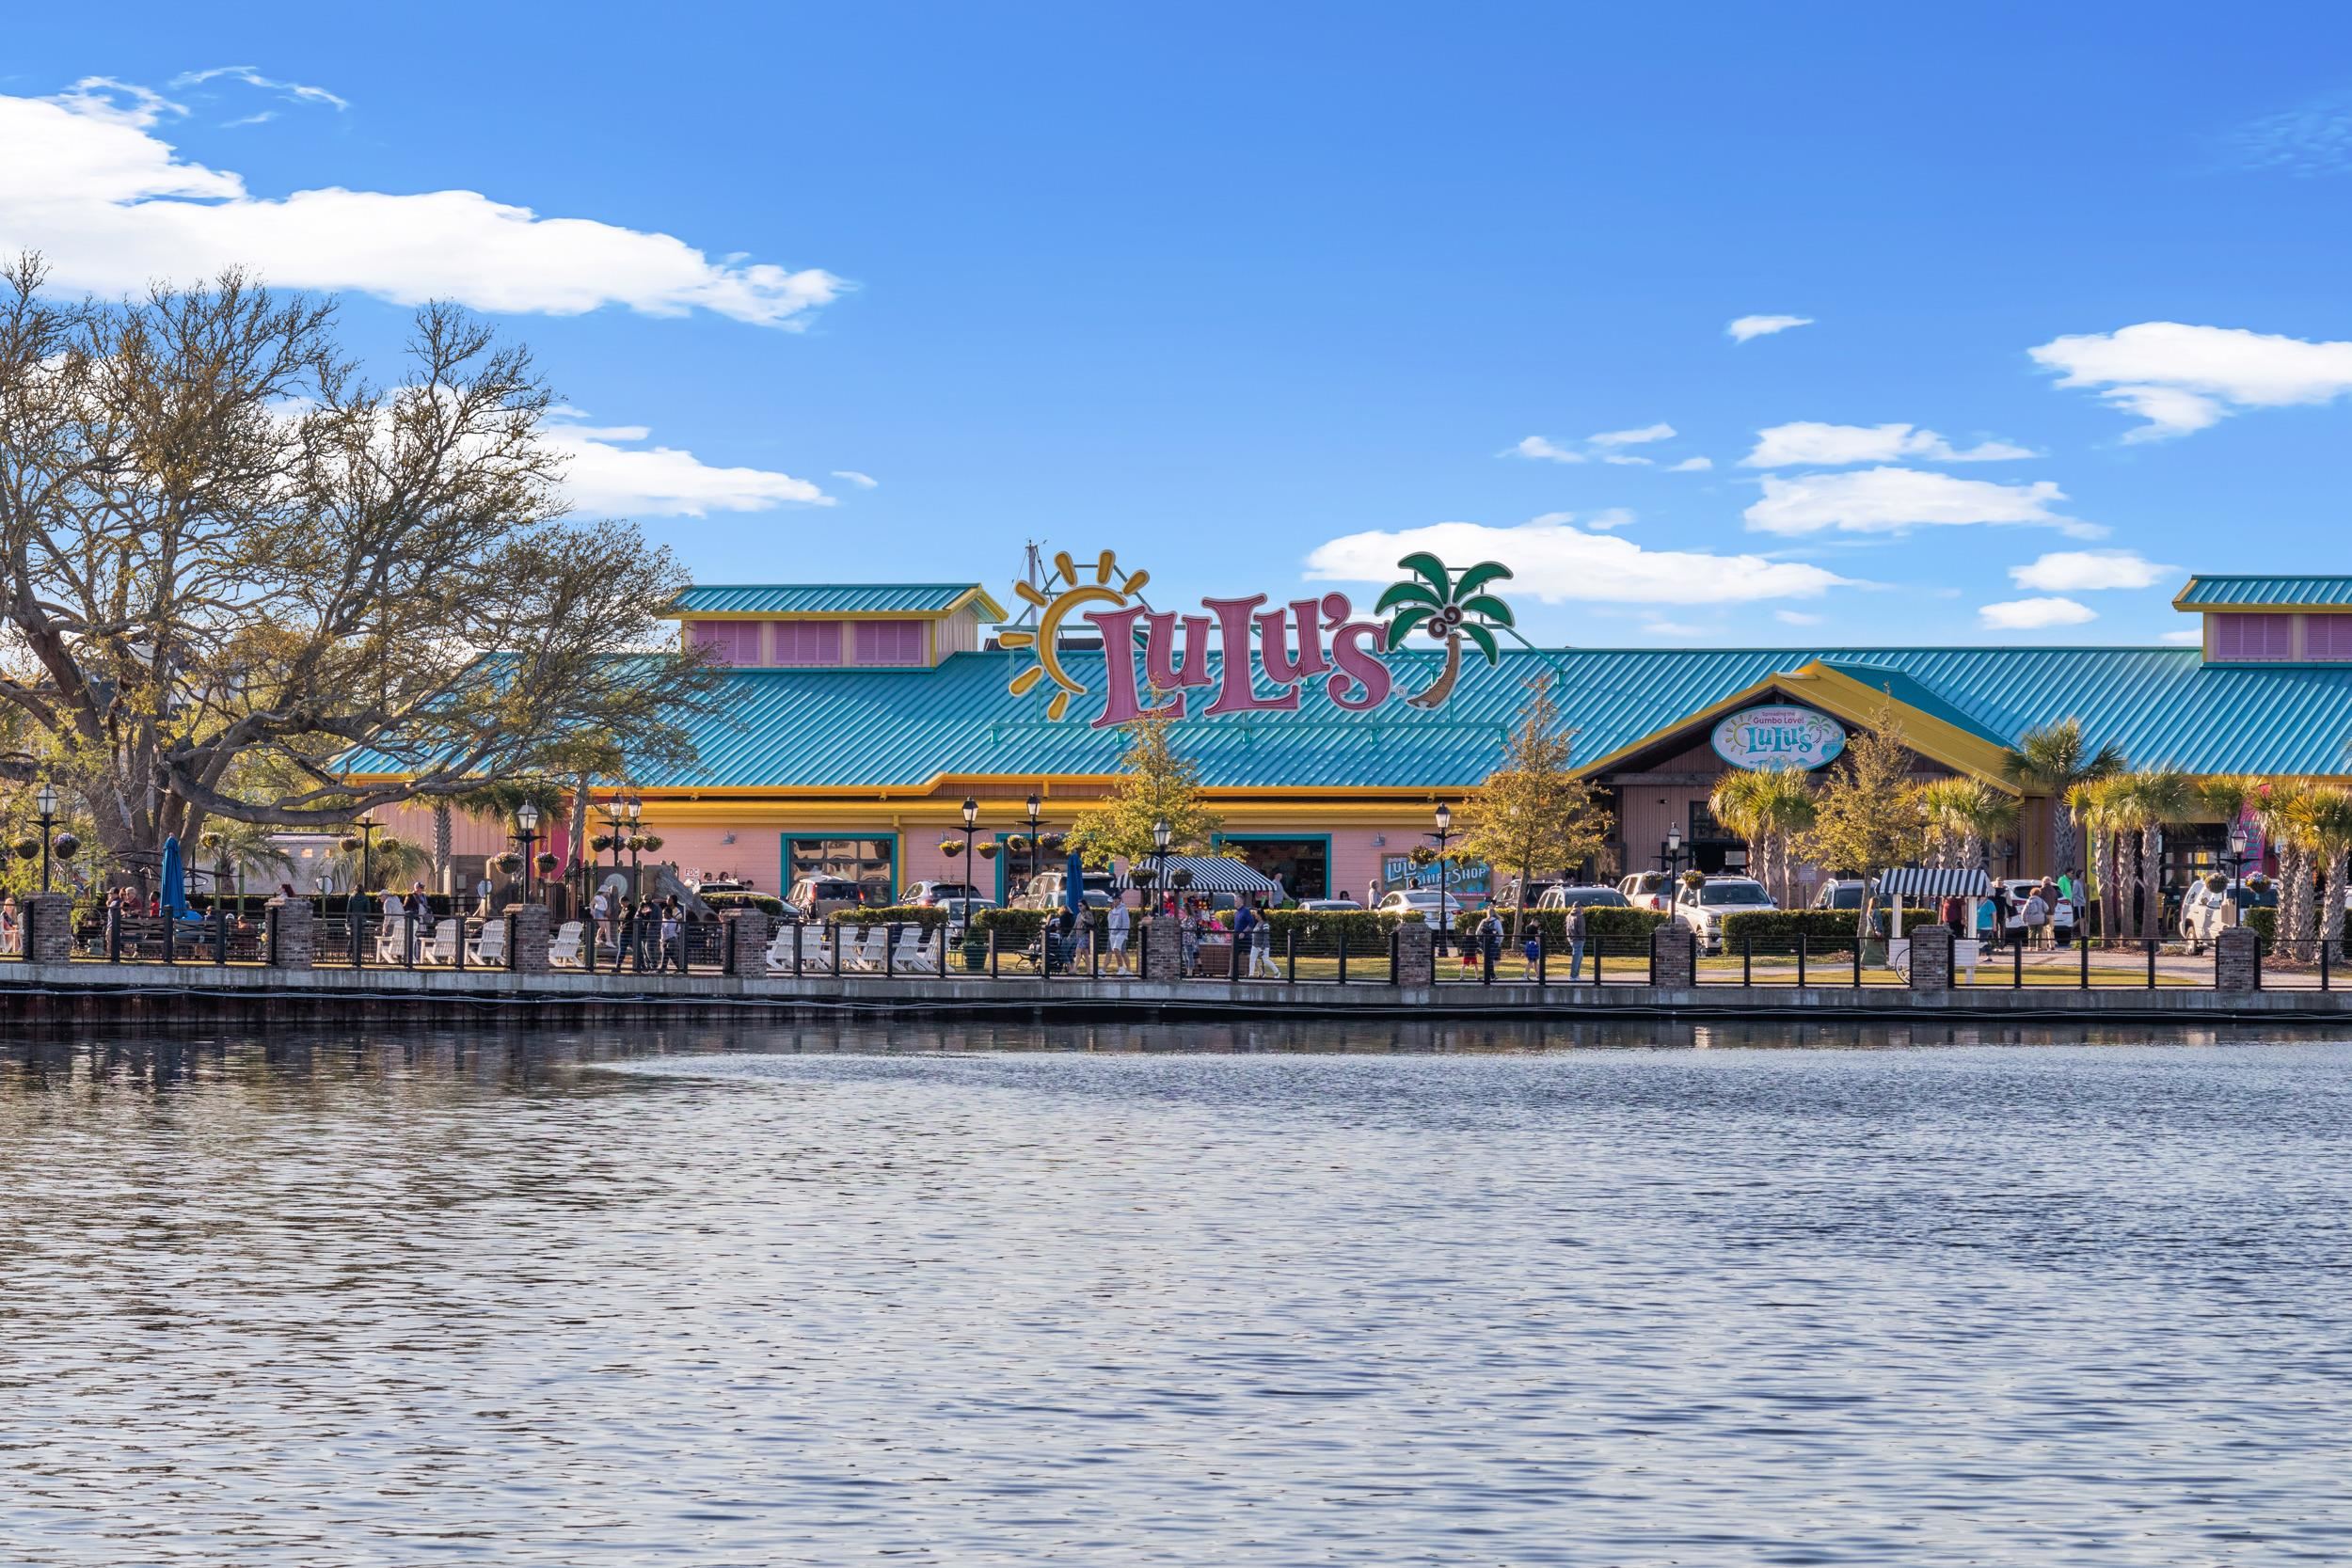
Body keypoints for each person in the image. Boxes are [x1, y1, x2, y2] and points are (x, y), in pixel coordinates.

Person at [1250, 898, 1279, 978]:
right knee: (1252, 959)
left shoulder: (1265, 924)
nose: (1255, 915)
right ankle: (1251, 974)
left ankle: (1277, 972)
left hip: (1263, 946)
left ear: (1259, 915)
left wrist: (1263, 946)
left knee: (1266, 960)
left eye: (1256, 914)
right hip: (1255, 945)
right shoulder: (1258, 923)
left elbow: (1266, 936)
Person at [1106, 897, 1131, 974]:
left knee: (1119, 950)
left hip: (1121, 934)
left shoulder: (1123, 909)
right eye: (1114, 899)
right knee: (1118, 951)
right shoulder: (1113, 911)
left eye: (1116, 899)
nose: (1115, 901)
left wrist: (1123, 933)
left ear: (1120, 900)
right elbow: (1112, 923)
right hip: (1113, 934)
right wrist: (1111, 933)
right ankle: (1121, 968)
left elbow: (1126, 922)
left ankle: (1126, 969)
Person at [1179, 898, 1201, 976]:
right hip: (1183, 940)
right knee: (1185, 957)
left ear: (1187, 909)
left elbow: (1191, 927)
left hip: (1189, 940)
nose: (1183, 910)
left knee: (1189, 957)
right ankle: (1187, 971)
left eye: (1184, 909)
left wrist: (1182, 926)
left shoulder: (1191, 918)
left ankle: (1190, 972)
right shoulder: (1185, 918)